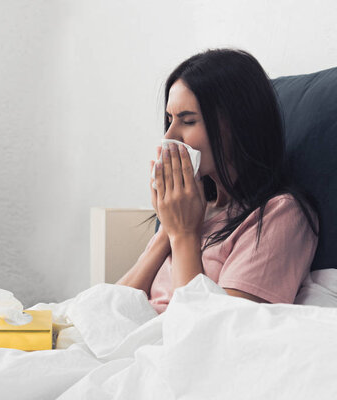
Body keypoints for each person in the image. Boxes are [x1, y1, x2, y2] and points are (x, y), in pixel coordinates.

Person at [116, 48, 319, 313]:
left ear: (238, 126)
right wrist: (168, 228)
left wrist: (184, 235)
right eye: (169, 120)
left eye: (188, 121)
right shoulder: (194, 209)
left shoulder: (280, 214)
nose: (170, 137)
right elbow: (109, 308)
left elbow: (214, 334)